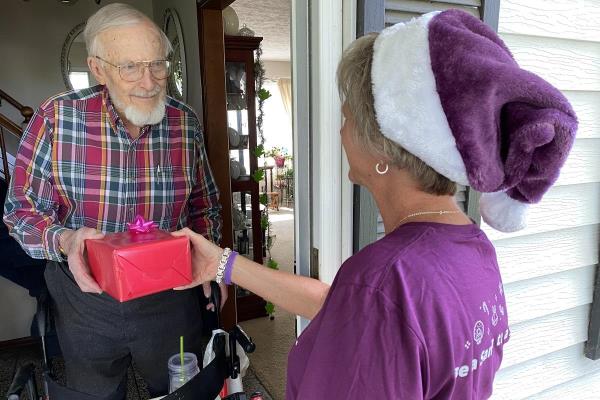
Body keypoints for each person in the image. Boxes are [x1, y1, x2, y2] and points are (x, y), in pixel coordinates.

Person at [173, 9, 577, 399]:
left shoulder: (384, 282)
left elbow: (370, 305)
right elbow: (338, 306)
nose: (342, 131)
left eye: (347, 117)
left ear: (382, 147)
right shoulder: (471, 248)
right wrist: (221, 264)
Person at [3, 3, 225, 398]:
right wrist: (66, 240)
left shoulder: (184, 122)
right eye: (131, 67)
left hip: (169, 297)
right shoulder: (56, 119)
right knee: (96, 394)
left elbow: (204, 206)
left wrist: (213, 263)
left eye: (159, 64)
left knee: (184, 389)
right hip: (85, 300)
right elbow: (20, 212)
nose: (150, 81)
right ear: (98, 68)